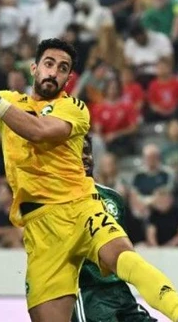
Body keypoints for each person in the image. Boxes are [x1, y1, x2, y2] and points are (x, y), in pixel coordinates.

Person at [0, 26, 178, 322]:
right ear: (34, 68)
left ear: (68, 78)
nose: (54, 73)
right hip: (40, 227)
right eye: (48, 64)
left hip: (80, 208)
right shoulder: (10, 103)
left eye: (63, 69)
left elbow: (38, 131)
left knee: (123, 256)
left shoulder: (74, 109)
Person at [73, 135, 156, 322]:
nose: (85, 157)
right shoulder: (58, 201)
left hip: (119, 289)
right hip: (87, 291)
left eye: (87, 151)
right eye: (77, 152)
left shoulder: (113, 198)